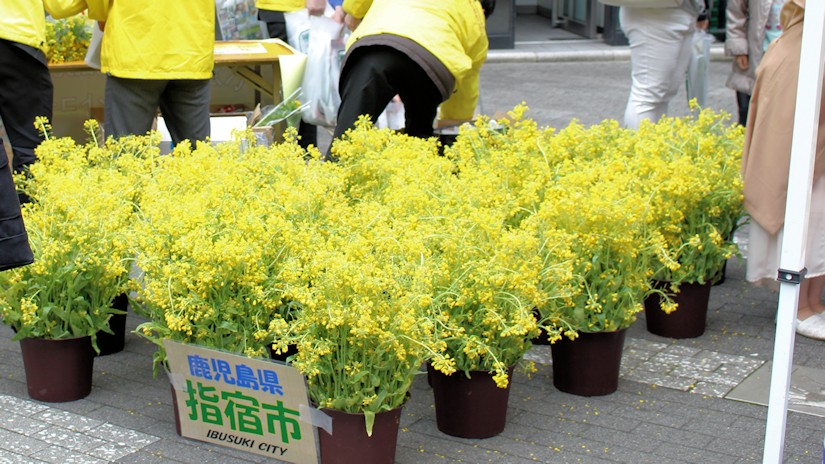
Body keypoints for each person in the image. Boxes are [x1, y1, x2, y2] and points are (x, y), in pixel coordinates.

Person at [741, 0, 825, 339]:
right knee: (804, 194)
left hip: (808, 51)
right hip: (805, 59)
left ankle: (812, 300)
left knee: (817, 202)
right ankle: (797, 305)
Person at [328, 0, 493, 157]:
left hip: (379, 44)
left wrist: (352, 11)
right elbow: (466, 89)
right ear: (484, 9)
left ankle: (332, 179)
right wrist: (452, 127)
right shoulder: (477, 19)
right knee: (420, 141)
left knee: (345, 140)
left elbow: (356, 6)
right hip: (433, 65)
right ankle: (420, 175)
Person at [89, 1, 216, 146]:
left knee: (127, 155)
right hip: (192, 49)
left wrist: (100, 14)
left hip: (135, 54)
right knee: (198, 157)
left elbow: (63, 7)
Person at [0, 0, 88, 178]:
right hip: (17, 42)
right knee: (30, 148)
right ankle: (28, 205)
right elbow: (60, 5)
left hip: (17, 44)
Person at [255, 0, 338, 149]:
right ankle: (298, 150)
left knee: (298, 83)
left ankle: (301, 151)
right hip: (280, 10)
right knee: (294, 83)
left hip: (291, 10)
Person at [619, 0, 710, 129]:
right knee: (648, 94)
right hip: (654, 12)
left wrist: (701, 11)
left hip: (685, 9)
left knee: (664, 93)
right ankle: (640, 147)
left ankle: (655, 144)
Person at [725, 0, 786, 126]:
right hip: (756, 51)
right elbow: (736, 11)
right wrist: (739, 47)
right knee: (749, 112)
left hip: (792, 52)